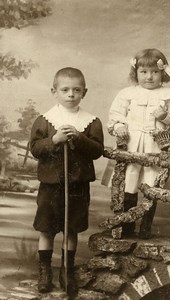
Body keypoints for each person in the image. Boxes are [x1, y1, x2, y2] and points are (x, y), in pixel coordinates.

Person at [30, 67, 104, 295]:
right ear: (54, 91)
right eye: (65, 90)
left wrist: (79, 138)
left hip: (77, 186)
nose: (71, 94)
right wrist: (55, 139)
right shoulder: (44, 120)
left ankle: (67, 269)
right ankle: (45, 271)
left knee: (71, 229)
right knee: (46, 228)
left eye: (76, 90)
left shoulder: (91, 121)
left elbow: (97, 151)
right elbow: (35, 148)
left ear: (85, 92)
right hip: (51, 186)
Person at [107, 48, 170, 239]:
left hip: (155, 145)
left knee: (152, 183)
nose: (149, 77)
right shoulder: (127, 94)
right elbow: (115, 115)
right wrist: (119, 126)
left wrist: (166, 117)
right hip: (133, 143)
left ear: (163, 73)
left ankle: (145, 226)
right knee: (129, 181)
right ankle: (127, 225)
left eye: (154, 72)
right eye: (143, 72)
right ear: (135, 73)